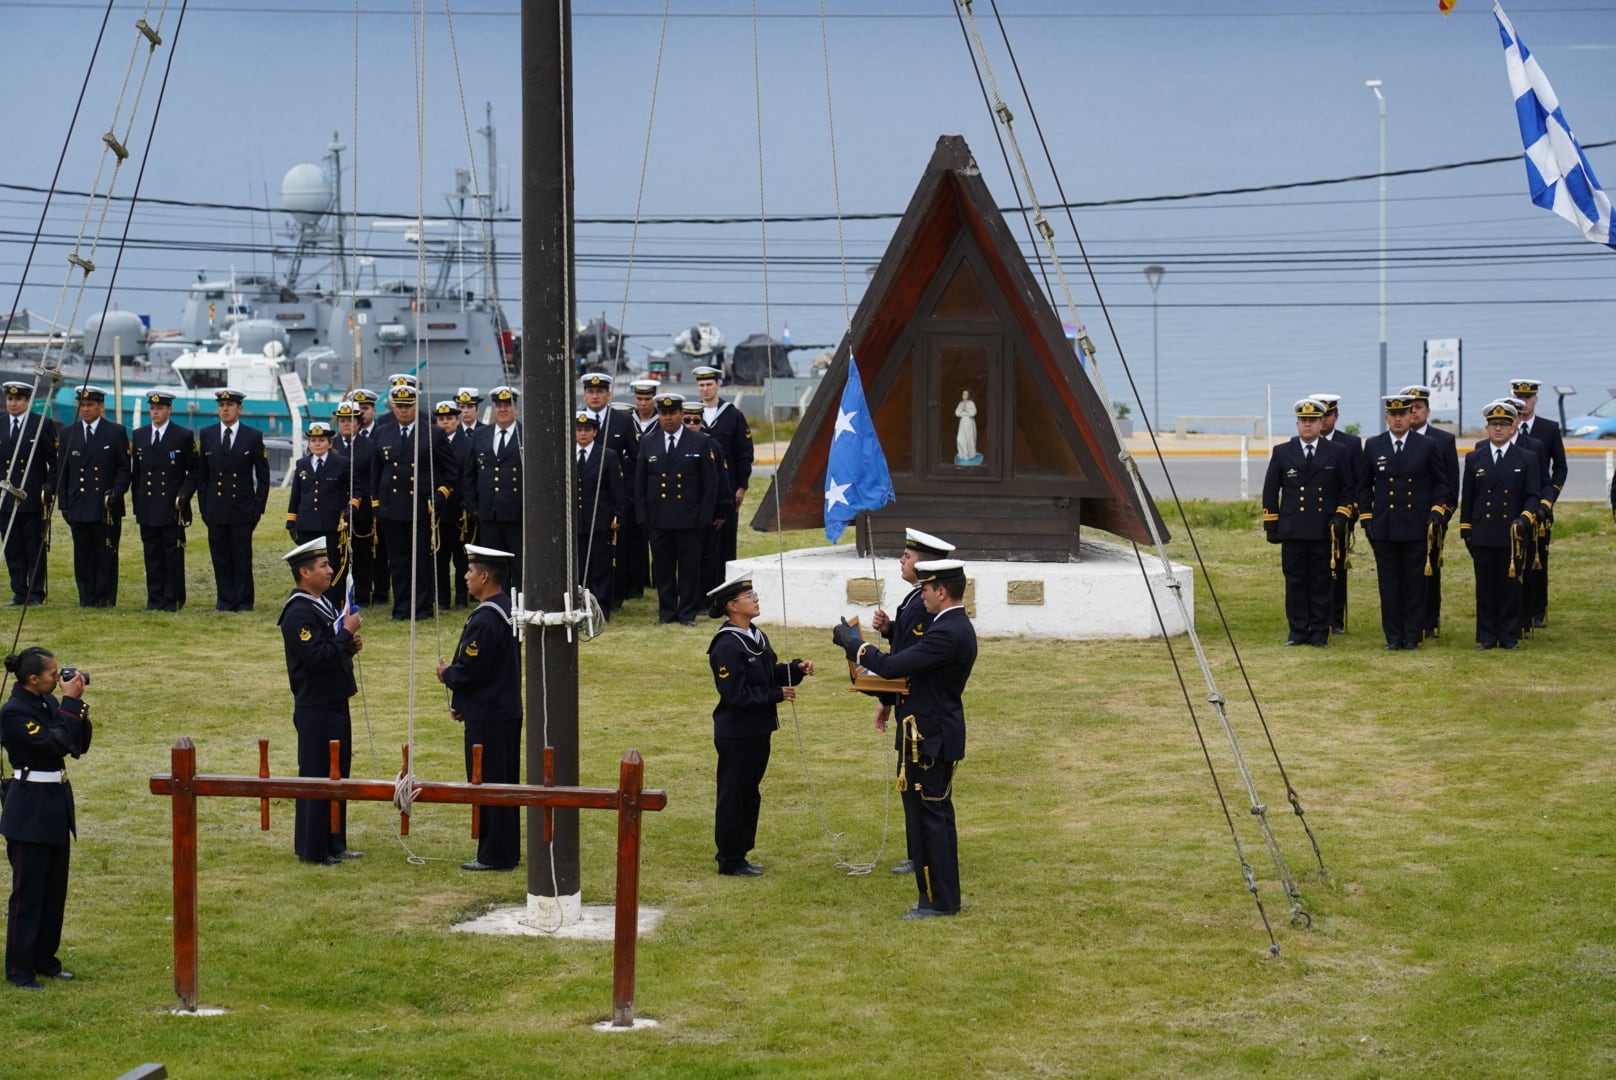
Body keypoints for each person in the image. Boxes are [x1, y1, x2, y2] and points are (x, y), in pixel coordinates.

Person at [833, 559, 977, 919]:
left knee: (933, 820)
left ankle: (938, 901)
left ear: (941, 592)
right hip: (931, 732)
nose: (922, 596)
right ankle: (940, 898)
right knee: (936, 817)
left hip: (929, 738)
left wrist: (853, 644)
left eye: (926, 589)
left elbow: (894, 666)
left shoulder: (947, 631)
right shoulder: (950, 625)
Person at [705, 574, 812, 876]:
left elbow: (768, 673)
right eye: (749, 596)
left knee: (749, 792)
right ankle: (729, 858)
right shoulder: (726, 645)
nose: (755, 599)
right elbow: (735, 694)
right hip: (737, 733)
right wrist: (777, 695)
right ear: (732, 606)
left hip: (758, 729)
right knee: (734, 793)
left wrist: (794, 670)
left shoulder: (755, 635)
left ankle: (741, 852)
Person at [1, 647, 90, 989]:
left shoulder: (48, 704)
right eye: (53, 675)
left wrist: (75, 707)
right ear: (33, 679)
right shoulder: (12, 713)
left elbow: (76, 745)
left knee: (54, 892)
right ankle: (19, 969)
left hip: (54, 805)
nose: (59, 678)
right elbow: (53, 745)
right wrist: (69, 705)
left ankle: (45, 959)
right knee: (28, 895)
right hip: (29, 810)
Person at [869, 527, 956, 876]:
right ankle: (917, 851)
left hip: (920, 710)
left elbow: (909, 661)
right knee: (909, 782)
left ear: (925, 565)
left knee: (918, 785)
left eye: (907, 556)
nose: (901, 561)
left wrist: (886, 696)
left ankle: (923, 854)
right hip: (908, 705)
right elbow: (905, 645)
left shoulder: (926, 605)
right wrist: (890, 629)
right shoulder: (913, 599)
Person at [435, 544, 521, 871]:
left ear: (485, 576)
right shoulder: (505, 608)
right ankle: (505, 849)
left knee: (490, 783)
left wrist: (447, 675)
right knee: (505, 783)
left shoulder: (486, 618)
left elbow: (472, 669)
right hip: (501, 710)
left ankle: (495, 854)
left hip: (489, 716)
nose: (466, 576)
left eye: (470, 571)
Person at [277, 538, 363, 865]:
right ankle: (314, 848)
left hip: (335, 700)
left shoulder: (321, 603)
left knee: (337, 773)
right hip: (316, 705)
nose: (330, 571)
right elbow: (317, 657)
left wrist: (347, 644)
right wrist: (343, 635)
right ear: (304, 572)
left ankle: (334, 841)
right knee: (316, 775)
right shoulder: (297, 612)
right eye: (323, 566)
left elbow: (331, 648)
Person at [1358, 395, 1451, 652]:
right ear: (1387, 417)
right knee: (1389, 584)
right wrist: (1367, 518)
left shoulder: (1428, 445)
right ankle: (1393, 637)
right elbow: (1364, 485)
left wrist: (1436, 512)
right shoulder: (1374, 445)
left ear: (1412, 416)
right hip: (1384, 527)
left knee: (1414, 583)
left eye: (1403, 414)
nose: (1398, 419)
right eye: (1393, 415)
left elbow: (1441, 484)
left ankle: (1413, 635)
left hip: (1416, 525)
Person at [1262, 398, 1354, 647]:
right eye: (1304, 421)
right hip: (1293, 529)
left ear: (1321, 422)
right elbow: (1271, 491)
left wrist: (1340, 517)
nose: (1308, 426)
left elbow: (1347, 490)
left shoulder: (1337, 451)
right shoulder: (1283, 452)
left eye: (1313, 421)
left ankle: (1320, 632)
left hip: (1323, 529)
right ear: (1297, 423)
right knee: (1295, 582)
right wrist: (1272, 525)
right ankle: (1298, 630)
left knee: (1322, 582)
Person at [369, 384, 459, 620]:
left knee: (420, 561)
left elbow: (451, 472)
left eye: (408, 406)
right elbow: (375, 472)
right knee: (397, 561)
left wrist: (439, 495)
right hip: (391, 507)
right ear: (393, 407)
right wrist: (377, 504)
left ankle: (421, 608)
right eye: (399, 406)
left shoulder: (433, 433)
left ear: (415, 406)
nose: (404, 411)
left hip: (420, 506)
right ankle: (400, 608)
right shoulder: (382, 432)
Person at [1459, 401, 1542, 650]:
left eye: (1504, 425)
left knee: (1510, 587)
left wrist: (1526, 518)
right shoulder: (1475, 458)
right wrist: (1465, 528)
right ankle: (1486, 635)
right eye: (1494, 424)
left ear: (1513, 427)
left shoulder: (1526, 458)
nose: (1498, 429)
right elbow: (1470, 496)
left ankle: (1508, 635)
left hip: (1512, 533)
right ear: (1486, 427)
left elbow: (1532, 494)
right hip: (1483, 531)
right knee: (1485, 586)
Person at [635, 392, 720, 626]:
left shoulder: (700, 442)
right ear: (658, 415)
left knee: (689, 568)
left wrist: (704, 517)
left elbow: (709, 485)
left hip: (689, 518)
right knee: (662, 568)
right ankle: (666, 612)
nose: (668, 418)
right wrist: (642, 516)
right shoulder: (648, 442)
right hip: (658, 517)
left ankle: (687, 613)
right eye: (663, 413)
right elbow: (640, 483)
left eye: (673, 413)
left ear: (681, 414)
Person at [55, 386, 130, 608]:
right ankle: (86, 597)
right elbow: (63, 472)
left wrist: (116, 492)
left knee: (106, 553)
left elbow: (124, 470)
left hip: (105, 505)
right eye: (82, 405)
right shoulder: (68, 434)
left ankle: (105, 597)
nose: (85, 409)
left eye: (90, 405)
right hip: (78, 504)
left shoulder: (115, 432)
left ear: (100, 407)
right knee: (83, 555)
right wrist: (64, 505)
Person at [197, 388, 270, 612]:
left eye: (229, 406)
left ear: (239, 408)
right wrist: (204, 507)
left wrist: (258, 508)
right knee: (220, 557)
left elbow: (263, 476)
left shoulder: (252, 436)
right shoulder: (207, 434)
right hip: (216, 508)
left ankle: (244, 601)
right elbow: (203, 475)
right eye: (221, 406)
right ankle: (224, 600)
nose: (225, 409)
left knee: (241, 556)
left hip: (242, 508)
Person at [131, 390, 199, 612]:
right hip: (148, 506)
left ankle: (173, 598)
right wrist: (137, 503)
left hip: (171, 507)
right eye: (152, 408)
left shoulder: (182, 435)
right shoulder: (140, 435)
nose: (155, 412)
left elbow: (195, 471)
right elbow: (137, 473)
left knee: (172, 554)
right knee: (151, 554)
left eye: (160, 408)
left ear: (169, 410)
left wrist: (183, 495)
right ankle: (155, 598)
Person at [1402, 385, 1459, 639]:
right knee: (1403, 571)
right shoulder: (1397, 437)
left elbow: (1450, 485)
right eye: (1409, 408)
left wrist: (1441, 517)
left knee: (1429, 569)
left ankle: (1429, 619)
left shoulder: (1443, 440)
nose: (1414, 413)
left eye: (1418, 408)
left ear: (1428, 410)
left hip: (1431, 517)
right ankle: (1406, 618)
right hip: (1402, 518)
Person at [1509, 378, 1567, 628]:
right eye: (1519, 398)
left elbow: (1560, 468)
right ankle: (1515, 609)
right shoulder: (1507, 427)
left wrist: (1549, 499)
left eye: (1528, 398)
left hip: (1541, 506)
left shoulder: (1549, 428)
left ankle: (1537, 610)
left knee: (1538, 559)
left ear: (1535, 399)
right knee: (1514, 558)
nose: (1523, 403)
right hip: (1514, 505)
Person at [579, 373, 639, 611]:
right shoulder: (572, 418)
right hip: (582, 504)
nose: (595, 396)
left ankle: (611, 600)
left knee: (609, 557)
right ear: (584, 394)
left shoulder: (623, 422)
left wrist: (627, 497)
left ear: (608, 394)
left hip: (610, 502)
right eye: (590, 392)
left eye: (600, 392)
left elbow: (635, 459)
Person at [692, 364, 754, 574]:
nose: (705, 389)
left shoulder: (733, 416)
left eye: (709, 384)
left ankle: (726, 581)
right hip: (698, 489)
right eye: (701, 385)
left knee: (726, 540)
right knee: (699, 540)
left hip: (727, 488)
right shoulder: (691, 416)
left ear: (718, 385)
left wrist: (742, 486)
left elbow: (744, 453)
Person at [0, 382, 57, 607]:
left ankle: (35, 592)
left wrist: (48, 487)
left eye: (18, 400)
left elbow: (54, 461)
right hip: (5, 498)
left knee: (33, 546)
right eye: (10, 399)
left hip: (30, 496)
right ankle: (19, 591)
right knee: (12, 547)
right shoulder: (1, 424)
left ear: (27, 401)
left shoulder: (41, 424)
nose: (13, 404)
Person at [285, 421, 351, 601]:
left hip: (331, 525)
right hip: (307, 523)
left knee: (331, 565)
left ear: (330, 443)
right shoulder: (302, 464)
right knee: (309, 565)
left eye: (321, 440)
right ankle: (311, 598)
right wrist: (291, 520)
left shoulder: (341, 463)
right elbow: (296, 495)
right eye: (313, 440)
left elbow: (352, 490)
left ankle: (334, 600)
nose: (317, 444)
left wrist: (348, 511)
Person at [466, 386, 523, 591]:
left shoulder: (526, 435)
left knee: (518, 565)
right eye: (498, 405)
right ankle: (497, 601)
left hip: (518, 514)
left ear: (516, 409)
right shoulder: (481, 435)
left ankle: (519, 603)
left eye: (507, 405)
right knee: (493, 565)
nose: (502, 409)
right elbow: (469, 474)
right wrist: (474, 508)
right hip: (489, 513)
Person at [1313, 393, 1361, 634]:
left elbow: (1355, 483)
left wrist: (1349, 515)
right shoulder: (1306, 442)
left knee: (1337, 570)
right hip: (1312, 518)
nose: (1323, 421)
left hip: (1340, 517)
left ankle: (1336, 618)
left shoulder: (1350, 444)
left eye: (1328, 415)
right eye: (1319, 416)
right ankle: (1316, 616)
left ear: (1336, 416)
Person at [573, 411, 623, 618]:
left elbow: (617, 491)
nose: (583, 434)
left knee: (600, 566)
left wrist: (617, 516)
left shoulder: (607, 455)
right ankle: (579, 605)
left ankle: (601, 607)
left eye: (587, 430)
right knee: (578, 565)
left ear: (595, 432)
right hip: (576, 521)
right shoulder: (567, 455)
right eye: (579, 430)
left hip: (600, 521)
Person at [332, 402, 382, 607]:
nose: (345, 424)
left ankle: (363, 595)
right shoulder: (330, 444)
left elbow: (374, 476)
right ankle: (339, 595)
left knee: (362, 554)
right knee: (338, 555)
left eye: (350, 420)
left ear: (359, 423)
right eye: (342, 420)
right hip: (336, 509)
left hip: (363, 510)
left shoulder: (369, 445)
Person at [685, 398, 736, 592]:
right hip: (683, 514)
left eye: (696, 421)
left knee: (708, 558)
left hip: (707, 514)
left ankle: (707, 597)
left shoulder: (711, 444)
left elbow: (722, 481)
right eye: (687, 420)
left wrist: (722, 511)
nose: (691, 425)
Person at [433, 401, 473, 610]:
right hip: (438, 510)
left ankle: (461, 597)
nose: (445, 422)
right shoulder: (431, 442)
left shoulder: (467, 444)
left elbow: (468, 475)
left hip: (459, 509)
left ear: (456, 421)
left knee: (461, 558)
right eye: (441, 419)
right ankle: (442, 600)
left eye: (449, 418)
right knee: (440, 557)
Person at [954, 390, 980, 465]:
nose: (964, 396)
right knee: (960, 438)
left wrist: (966, 410)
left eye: (966, 394)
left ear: (968, 395)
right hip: (962, 422)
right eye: (963, 394)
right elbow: (957, 413)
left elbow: (973, 413)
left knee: (969, 438)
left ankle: (969, 456)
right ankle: (962, 455)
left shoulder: (971, 403)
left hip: (969, 422)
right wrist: (962, 409)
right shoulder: (960, 403)